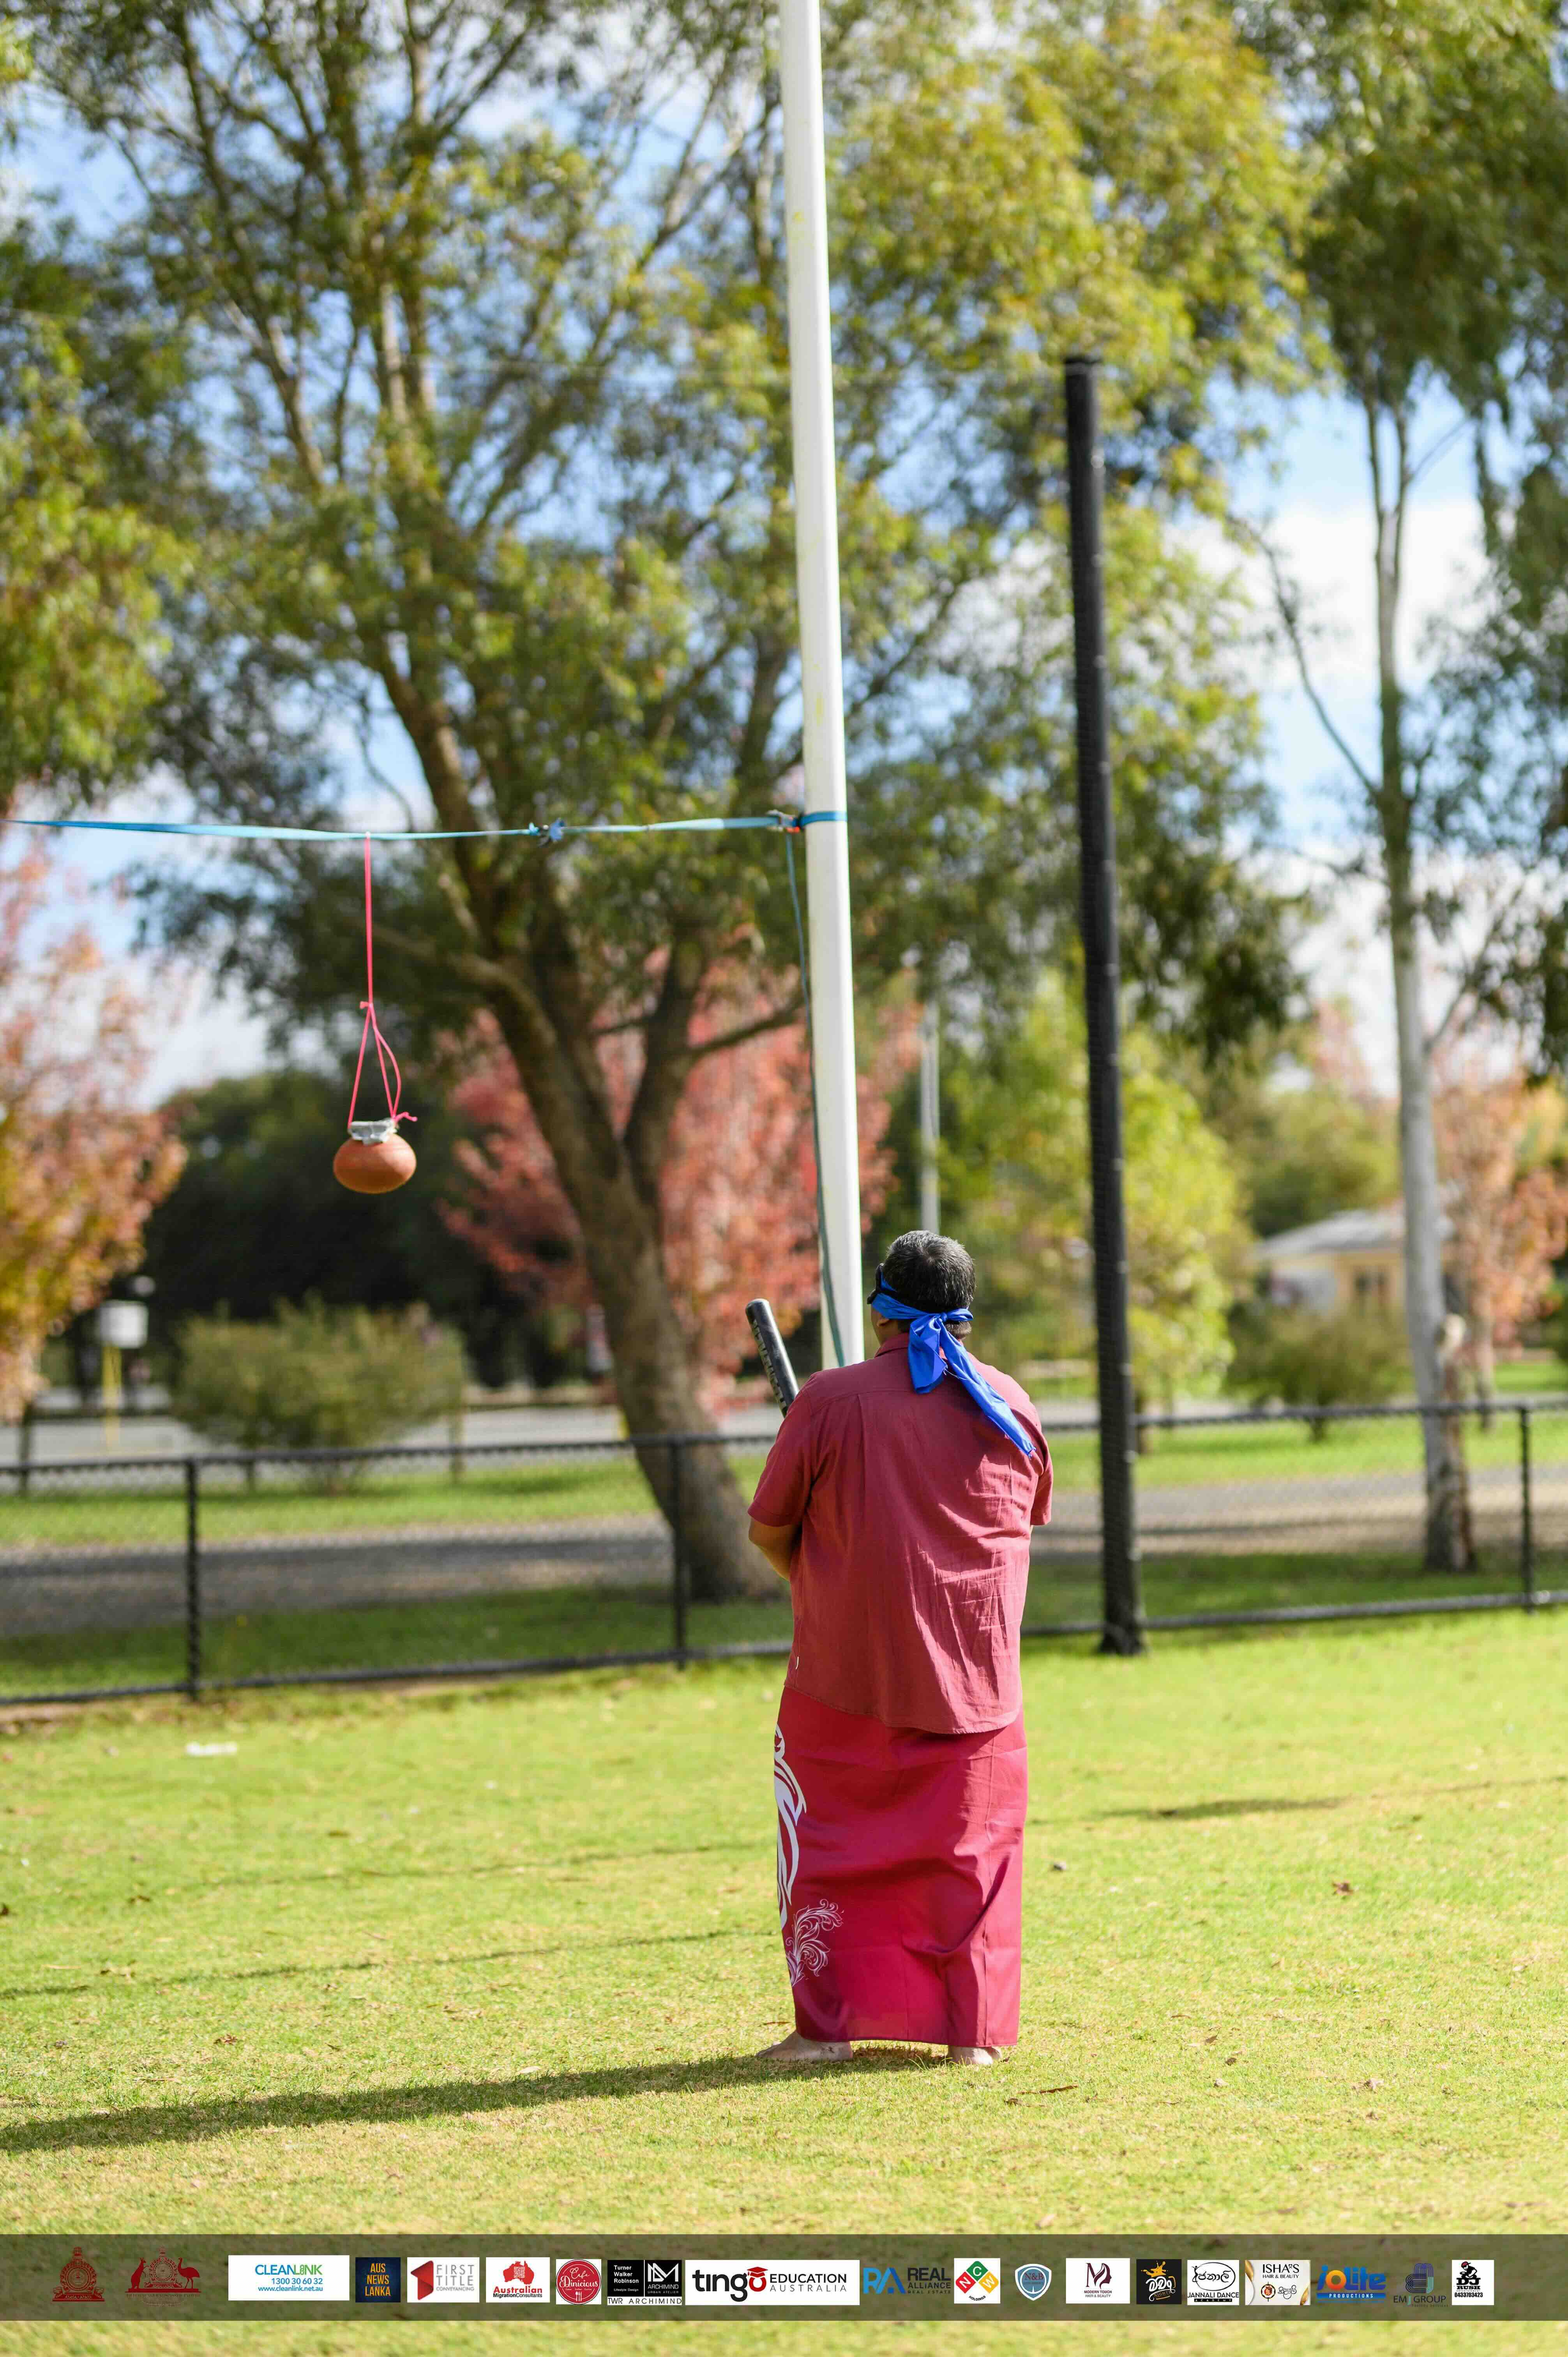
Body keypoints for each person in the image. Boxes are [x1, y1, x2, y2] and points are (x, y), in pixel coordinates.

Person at [746, 1229, 1052, 2068]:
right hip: (979, 1683)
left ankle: (825, 2032)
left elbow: (770, 1529)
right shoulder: (1010, 1402)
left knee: (832, 1849)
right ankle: (971, 2042)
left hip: (846, 1675)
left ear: (881, 1307)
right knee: (974, 1860)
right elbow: (1016, 1527)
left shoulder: (830, 1400)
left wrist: (825, 1576)